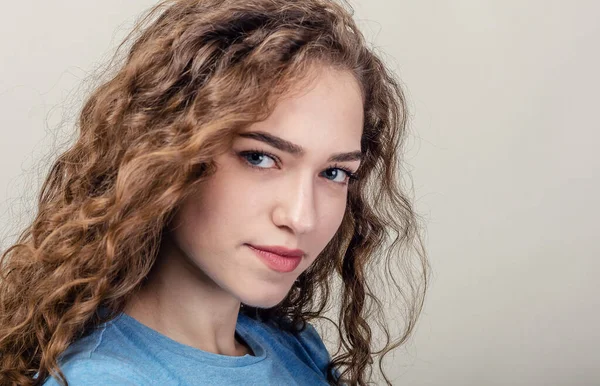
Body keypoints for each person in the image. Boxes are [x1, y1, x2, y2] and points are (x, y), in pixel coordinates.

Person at [0, 0, 429, 385]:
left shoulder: (291, 346)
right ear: (164, 154)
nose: (302, 217)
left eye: (334, 172)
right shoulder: (105, 378)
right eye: (260, 158)